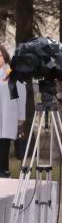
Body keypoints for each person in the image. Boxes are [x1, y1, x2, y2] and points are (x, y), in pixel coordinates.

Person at [0, 45, 26, 177]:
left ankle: (3, 171)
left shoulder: (11, 72)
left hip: (7, 114)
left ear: (5, 56)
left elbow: (21, 94)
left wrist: (21, 116)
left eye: (0, 55)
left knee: (3, 144)